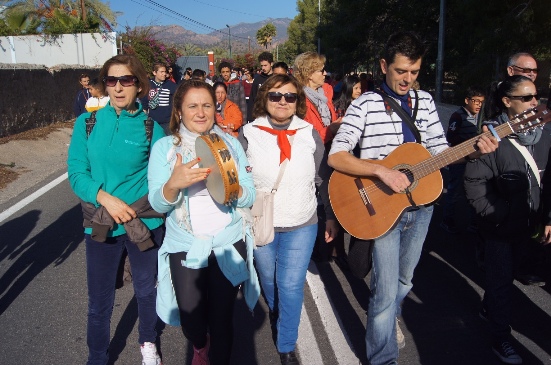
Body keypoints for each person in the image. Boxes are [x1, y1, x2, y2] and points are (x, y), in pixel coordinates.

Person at [327, 31, 498, 365]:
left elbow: (440, 152)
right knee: (385, 292)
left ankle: (389, 316)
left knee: (405, 281)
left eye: (414, 72)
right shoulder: (365, 104)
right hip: (381, 208)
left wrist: (474, 152)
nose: (407, 79)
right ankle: (382, 358)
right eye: (401, 71)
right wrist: (381, 172)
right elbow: (337, 156)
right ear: (384, 66)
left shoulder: (426, 102)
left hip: (421, 208)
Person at [148, 80, 259, 365]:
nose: (200, 112)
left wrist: (229, 189)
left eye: (207, 105)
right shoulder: (165, 148)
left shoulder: (230, 144)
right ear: (179, 111)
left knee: (222, 321)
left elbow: (249, 194)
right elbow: (158, 204)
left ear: (215, 108)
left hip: (226, 243)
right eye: (192, 106)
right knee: (192, 320)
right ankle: (200, 344)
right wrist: (174, 183)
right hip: (186, 245)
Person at [67, 54, 165, 365]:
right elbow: (77, 173)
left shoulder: (151, 128)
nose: (119, 87)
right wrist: (105, 198)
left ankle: (148, 340)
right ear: (104, 85)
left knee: (147, 291)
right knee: (99, 302)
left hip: (144, 224)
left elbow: (164, 178)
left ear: (139, 85)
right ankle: (98, 356)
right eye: (111, 80)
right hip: (100, 225)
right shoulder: (88, 122)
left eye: (127, 80)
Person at [239, 74, 337, 365]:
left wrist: (330, 216)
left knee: (291, 285)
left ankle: (286, 346)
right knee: (269, 281)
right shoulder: (248, 133)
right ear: (264, 99)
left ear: (298, 102)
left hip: (302, 221)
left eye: (290, 96)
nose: (282, 101)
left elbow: (323, 178)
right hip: (261, 221)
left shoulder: (309, 133)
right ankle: (276, 312)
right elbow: (238, 179)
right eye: (275, 95)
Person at [464, 75, 550, 365]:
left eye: (535, 96)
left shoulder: (542, 133)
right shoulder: (490, 138)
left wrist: (546, 217)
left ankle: (489, 307)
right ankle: (501, 338)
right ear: (507, 102)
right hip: (499, 229)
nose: (534, 103)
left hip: (528, 225)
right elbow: (474, 184)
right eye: (526, 98)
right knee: (502, 283)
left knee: (509, 277)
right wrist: (498, 217)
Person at [440, 86, 485, 234]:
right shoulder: (458, 116)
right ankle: (447, 220)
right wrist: (470, 143)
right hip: (459, 160)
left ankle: (473, 222)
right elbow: (450, 138)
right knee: (453, 191)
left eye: (481, 102)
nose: (478, 104)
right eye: (475, 101)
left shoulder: (479, 117)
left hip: (473, 160)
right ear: (467, 100)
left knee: (473, 191)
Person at [293, 52, 340, 144]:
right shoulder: (298, 100)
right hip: (313, 154)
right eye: (321, 70)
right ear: (309, 74)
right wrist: (330, 130)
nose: (325, 73)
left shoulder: (326, 92)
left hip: (331, 150)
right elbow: (306, 139)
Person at [140, 63, 178, 135]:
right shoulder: (148, 85)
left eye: (165, 72)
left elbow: (178, 99)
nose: (164, 74)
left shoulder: (171, 85)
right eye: (161, 72)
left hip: (167, 122)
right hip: (152, 121)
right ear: (154, 72)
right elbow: (144, 102)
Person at [218, 61, 247, 126]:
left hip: (236, 118)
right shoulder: (219, 85)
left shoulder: (238, 84)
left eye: (227, 72)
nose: (225, 74)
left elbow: (243, 103)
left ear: (230, 72)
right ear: (220, 73)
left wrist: (243, 122)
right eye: (223, 72)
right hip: (223, 119)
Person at [247, 51, 274, 122]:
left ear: (271, 64)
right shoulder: (257, 79)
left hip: (273, 115)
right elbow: (252, 98)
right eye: (262, 66)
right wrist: (250, 117)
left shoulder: (276, 78)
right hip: (260, 115)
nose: (263, 68)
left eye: (265, 65)